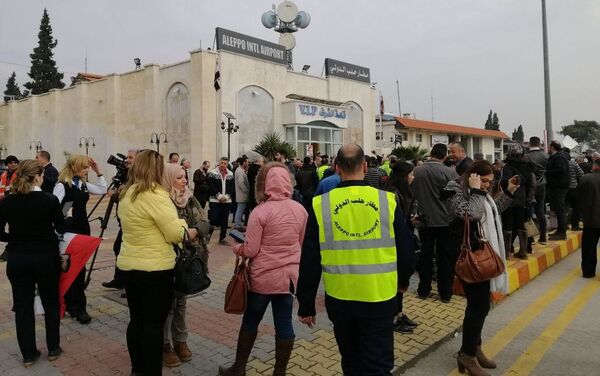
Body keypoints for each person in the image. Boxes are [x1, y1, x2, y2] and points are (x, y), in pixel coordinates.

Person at [297, 144, 415, 375]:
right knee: (378, 363)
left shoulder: (321, 205)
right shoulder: (387, 201)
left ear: (337, 168)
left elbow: (310, 259)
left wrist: (306, 304)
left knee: (351, 360)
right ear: (365, 165)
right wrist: (403, 282)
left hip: (340, 298)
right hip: (379, 296)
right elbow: (406, 248)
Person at [219, 162, 308, 376]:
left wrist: (236, 246)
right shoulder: (300, 210)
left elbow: (250, 250)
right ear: (288, 182)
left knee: (251, 321)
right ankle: (279, 372)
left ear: (267, 184)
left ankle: (239, 368)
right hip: (288, 279)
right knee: (284, 323)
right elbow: (301, 244)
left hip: (262, 279)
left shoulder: (260, 211)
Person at [443, 160, 517, 376]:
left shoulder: (478, 190)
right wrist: (476, 190)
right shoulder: (453, 189)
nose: (487, 185)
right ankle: (467, 355)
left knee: (480, 304)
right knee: (479, 304)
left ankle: (473, 347)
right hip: (466, 256)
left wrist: (509, 193)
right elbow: (471, 214)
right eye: (484, 181)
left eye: (490, 182)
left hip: (480, 253)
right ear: (472, 176)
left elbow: (492, 212)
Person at [117, 150, 187, 376]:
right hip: (155, 269)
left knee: (136, 320)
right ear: (156, 170)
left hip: (129, 266)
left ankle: (137, 369)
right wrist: (189, 228)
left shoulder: (127, 193)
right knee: (153, 325)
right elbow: (174, 233)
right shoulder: (155, 195)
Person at [0, 160, 66, 366]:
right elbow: (61, 226)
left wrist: (14, 239)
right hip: (46, 257)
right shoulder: (49, 199)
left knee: (23, 306)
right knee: (50, 301)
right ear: (37, 176)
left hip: (18, 258)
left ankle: (28, 354)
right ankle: (53, 348)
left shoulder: (8, 201)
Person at [161, 163, 211, 367]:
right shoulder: (162, 201)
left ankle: (181, 341)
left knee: (181, 302)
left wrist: (196, 231)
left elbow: (206, 221)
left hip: (188, 260)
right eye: (179, 177)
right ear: (167, 179)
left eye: (185, 177)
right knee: (167, 305)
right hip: (168, 259)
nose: (184, 181)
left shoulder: (190, 198)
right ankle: (164, 345)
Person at [54, 155, 107, 324]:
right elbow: (54, 208)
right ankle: (76, 306)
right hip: (69, 231)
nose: (86, 170)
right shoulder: (62, 185)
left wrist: (99, 172)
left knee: (80, 267)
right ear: (75, 167)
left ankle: (74, 305)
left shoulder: (83, 184)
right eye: (84, 168)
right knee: (72, 268)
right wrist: (62, 222)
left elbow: (102, 190)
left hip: (83, 229)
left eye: (87, 168)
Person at [411, 144, 458, 302]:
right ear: (444, 156)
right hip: (445, 221)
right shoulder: (449, 172)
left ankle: (423, 290)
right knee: (445, 258)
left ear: (431, 153)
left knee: (426, 256)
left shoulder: (417, 171)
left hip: (424, 220)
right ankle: (445, 293)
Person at [385, 161, 418, 334]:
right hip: (395, 245)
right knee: (397, 283)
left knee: (400, 284)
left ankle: (399, 313)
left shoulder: (401, 192)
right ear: (404, 177)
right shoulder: (393, 194)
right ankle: (394, 318)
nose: (413, 177)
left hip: (402, 239)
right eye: (411, 174)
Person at [102, 149, 137, 292]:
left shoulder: (136, 176)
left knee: (124, 249)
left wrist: (114, 196)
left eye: (130, 157)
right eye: (127, 157)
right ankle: (120, 280)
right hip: (125, 219)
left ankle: (129, 284)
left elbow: (130, 197)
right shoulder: (127, 173)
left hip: (132, 220)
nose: (127, 160)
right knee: (118, 248)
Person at [500, 144, 535, 259]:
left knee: (507, 226)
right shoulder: (527, 167)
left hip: (509, 200)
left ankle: (506, 254)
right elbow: (531, 184)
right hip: (522, 200)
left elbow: (505, 183)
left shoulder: (507, 167)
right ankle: (523, 251)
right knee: (521, 225)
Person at [578, 158, 600, 278]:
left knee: (589, 247)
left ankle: (588, 271)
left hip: (590, 218)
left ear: (596, 166)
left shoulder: (585, 178)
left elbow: (579, 196)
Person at [545, 141, 570, 240]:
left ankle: (562, 232)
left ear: (552, 147)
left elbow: (561, 170)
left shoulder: (559, 157)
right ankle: (560, 230)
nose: (548, 148)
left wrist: (547, 172)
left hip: (559, 187)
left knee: (560, 209)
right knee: (558, 209)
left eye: (549, 146)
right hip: (556, 186)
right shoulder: (557, 156)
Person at [207, 157, 235, 245]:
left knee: (225, 220)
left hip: (227, 201)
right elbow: (211, 186)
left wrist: (226, 197)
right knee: (214, 218)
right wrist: (219, 196)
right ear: (219, 163)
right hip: (214, 200)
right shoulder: (212, 173)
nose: (223, 165)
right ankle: (207, 236)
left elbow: (232, 187)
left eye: (225, 163)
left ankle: (222, 238)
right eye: (221, 163)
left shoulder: (230, 174)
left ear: (227, 164)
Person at [527, 136, 549, 244]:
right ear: (539, 143)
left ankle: (530, 239)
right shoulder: (546, 156)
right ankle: (543, 237)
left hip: (530, 186)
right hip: (542, 185)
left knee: (528, 212)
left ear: (530, 144)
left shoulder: (526, 156)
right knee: (540, 211)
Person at [563, 148, 584, 231]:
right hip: (573, 188)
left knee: (564, 208)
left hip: (562, 189)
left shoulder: (559, 162)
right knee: (576, 207)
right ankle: (575, 226)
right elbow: (581, 174)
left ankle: (563, 226)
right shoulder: (573, 163)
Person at [234, 156, 249, 231]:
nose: (247, 163)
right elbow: (241, 183)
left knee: (240, 209)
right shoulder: (239, 171)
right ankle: (237, 225)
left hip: (241, 194)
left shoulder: (240, 170)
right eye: (246, 162)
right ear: (243, 163)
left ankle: (238, 224)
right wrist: (246, 190)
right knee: (240, 209)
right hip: (242, 194)